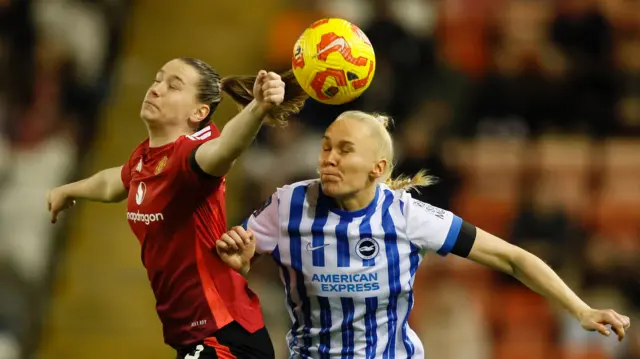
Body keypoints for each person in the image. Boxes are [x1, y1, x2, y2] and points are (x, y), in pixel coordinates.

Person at [215, 110, 631, 358]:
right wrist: (239, 262)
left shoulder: (407, 216)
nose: (329, 159)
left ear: (378, 169)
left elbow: (512, 257)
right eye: (326, 147)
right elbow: (231, 258)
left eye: (345, 150)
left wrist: (580, 310)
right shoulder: (288, 206)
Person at [46, 57, 308, 359]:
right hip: (195, 338)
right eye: (157, 80)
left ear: (199, 112)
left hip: (223, 335)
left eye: (173, 86)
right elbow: (114, 183)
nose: (156, 89)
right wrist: (68, 190)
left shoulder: (189, 158)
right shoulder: (146, 158)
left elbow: (225, 150)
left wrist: (258, 108)